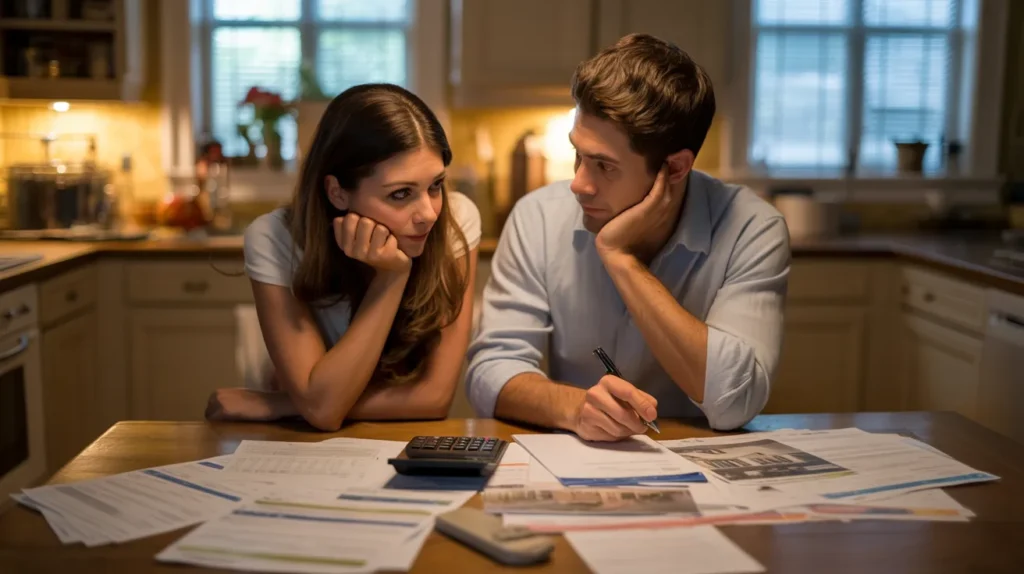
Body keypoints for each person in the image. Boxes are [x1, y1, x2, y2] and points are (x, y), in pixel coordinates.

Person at [465, 34, 791, 440]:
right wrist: (576, 408)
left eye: (605, 166)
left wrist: (621, 259)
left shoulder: (751, 229)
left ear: (674, 168)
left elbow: (735, 402)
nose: (579, 185)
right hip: (581, 461)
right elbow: (490, 374)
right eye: (578, 155)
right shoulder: (538, 217)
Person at [205, 83, 481, 431]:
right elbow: (322, 414)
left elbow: (434, 398)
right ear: (337, 192)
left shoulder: (457, 220)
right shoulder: (275, 239)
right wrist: (391, 280)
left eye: (435, 185)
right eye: (400, 194)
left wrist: (281, 404)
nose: (428, 213)